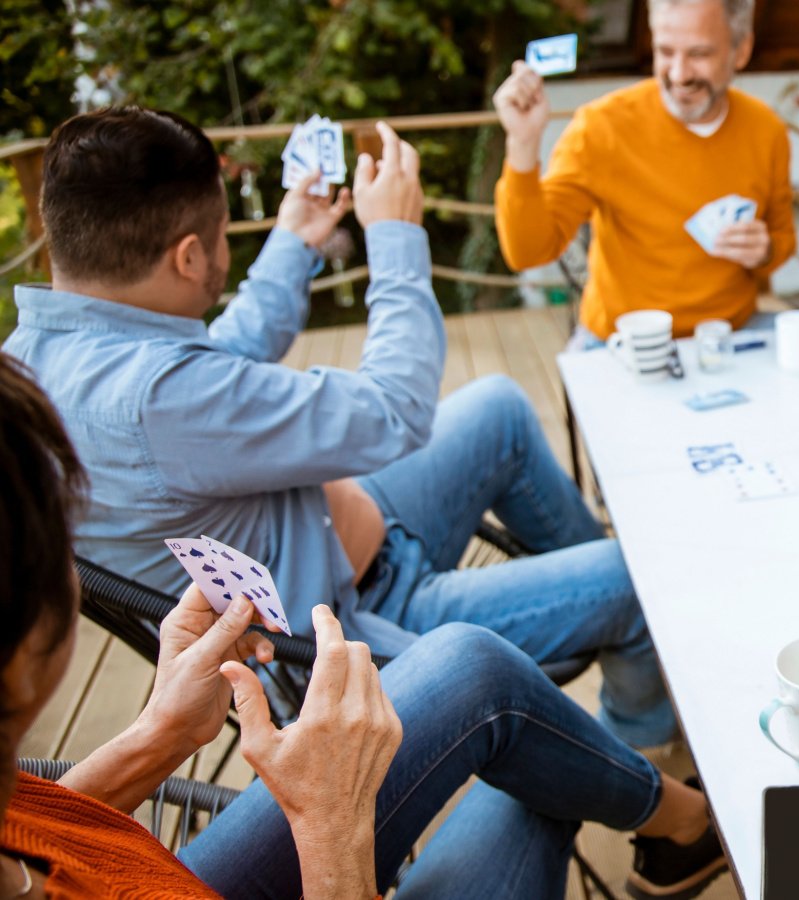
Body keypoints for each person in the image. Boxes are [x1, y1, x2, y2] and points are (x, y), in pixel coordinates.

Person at [2, 106, 674, 748]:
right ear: (186, 259)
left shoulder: (32, 366)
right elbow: (395, 410)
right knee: (644, 575)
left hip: (341, 544)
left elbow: (219, 357)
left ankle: (590, 605)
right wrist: (396, 239)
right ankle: (639, 728)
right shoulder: (163, 397)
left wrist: (292, 241)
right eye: (218, 239)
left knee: (497, 405)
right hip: (352, 633)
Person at [0, 353, 727, 900]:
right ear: (28, 653)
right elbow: (390, 407)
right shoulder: (164, 392)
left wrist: (157, 737)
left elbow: (40, 843)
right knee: (542, 764)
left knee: (484, 679)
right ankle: (680, 817)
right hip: (278, 818)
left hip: (140, 867)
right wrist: (332, 833)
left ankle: (675, 819)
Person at [491, 0, 799, 412]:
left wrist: (764, 250)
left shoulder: (765, 130)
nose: (678, 73)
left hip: (732, 335)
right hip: (624, 342)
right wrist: (523, 145)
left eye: (699, 54)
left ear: (741, 50)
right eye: (665, 52)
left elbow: (783, 241)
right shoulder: (599, 127)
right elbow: (528, 252)